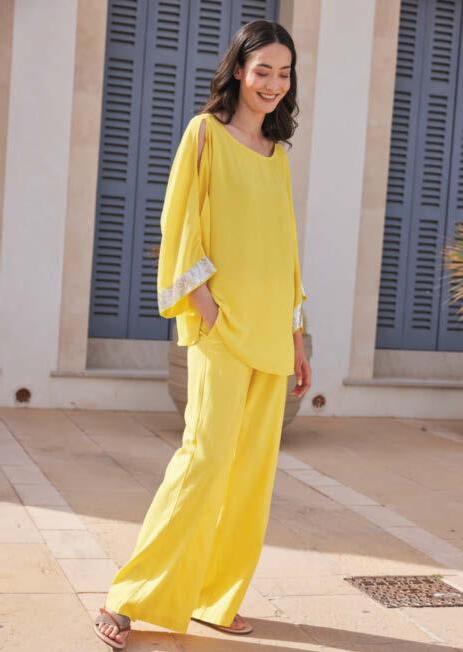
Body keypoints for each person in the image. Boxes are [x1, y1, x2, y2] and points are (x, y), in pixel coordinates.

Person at [94, 19, 311, 649]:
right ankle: (127, 598)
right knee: (204, 461)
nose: (273, 83)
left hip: (272, 333)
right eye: (263, 70)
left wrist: (297, 333)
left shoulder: (278, 156)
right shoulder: (204, 134)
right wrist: (205, 306)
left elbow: (285, 250)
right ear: (239, 70)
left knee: (251, 475)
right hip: (223, 329)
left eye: (284, 73)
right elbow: (180, 221)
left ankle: (217, 598)